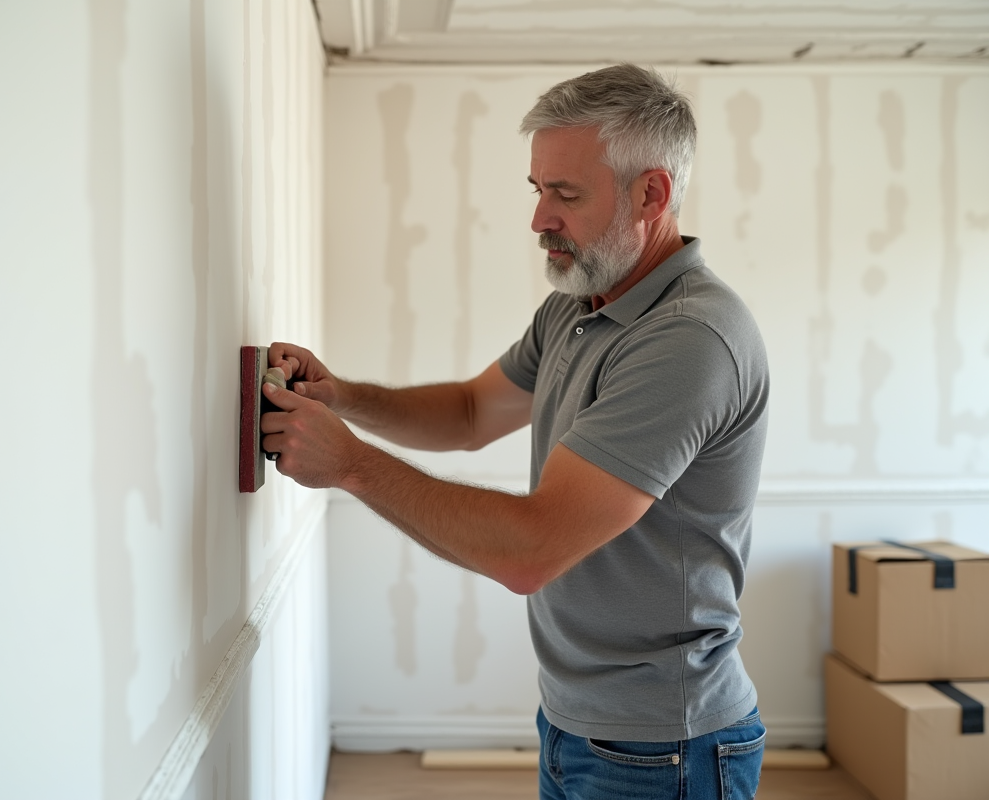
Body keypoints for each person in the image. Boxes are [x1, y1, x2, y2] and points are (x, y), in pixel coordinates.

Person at [260, 64, 770, 800]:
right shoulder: (580, 301)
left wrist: (351, 466)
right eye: (538, 191)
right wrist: (342, 396)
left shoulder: (688, 340)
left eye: (566, 195)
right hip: (576, 722)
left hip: (667, 748)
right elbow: (472, 413)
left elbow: (533, 549)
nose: (540, 220)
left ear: (651, 194)